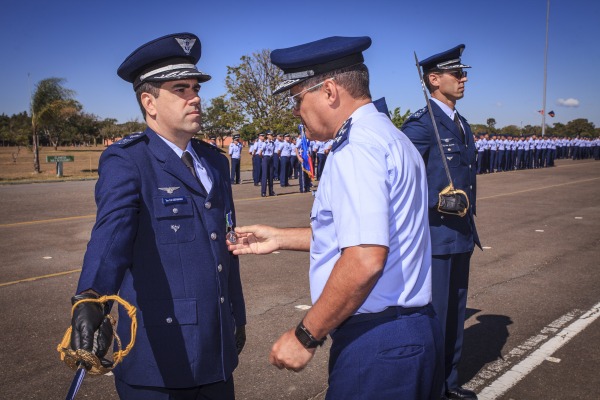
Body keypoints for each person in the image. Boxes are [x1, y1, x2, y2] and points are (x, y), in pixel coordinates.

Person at [229, 35, 442, 399]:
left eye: (297, 98)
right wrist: (280, 237)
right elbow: (367, 235)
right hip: (408, 333)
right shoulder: (388, 136)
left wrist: (305, 335)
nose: (296, 111)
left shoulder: (356, 150)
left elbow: (364, 258)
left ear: (329, 91)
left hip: (377, 340)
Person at [68, 32, 246, 400]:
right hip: (159, 357)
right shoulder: (129, 160)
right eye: (181, 89)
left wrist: (236, 314)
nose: (195, 97)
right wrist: (91, 297)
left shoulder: (214, 160)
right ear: (149, 102)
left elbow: (224, 244)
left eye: (195, 87)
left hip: (217, 348)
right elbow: (111, 235)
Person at [402, 44, 481, 400]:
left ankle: (448, 384)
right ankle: (429, 388)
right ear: (434, 79)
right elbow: (398, 177)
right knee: (435, 319)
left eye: (463, 73)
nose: (463, 79)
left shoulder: (460, 123)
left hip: (461, 234)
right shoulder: (421, 125)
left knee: (455, 314)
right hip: (433, 237)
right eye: (456, 73)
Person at [259, 131, 276, 197]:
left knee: (271, 176)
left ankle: (271, 191)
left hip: (271, 158)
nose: (272, 136)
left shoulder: (273, 143)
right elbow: (260, 152)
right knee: (265, 176)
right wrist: (264, 158)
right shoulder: (264, 143)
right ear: (268, 136)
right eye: (271, 135)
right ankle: (263, 192)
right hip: (265, 158)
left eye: (272, 135)